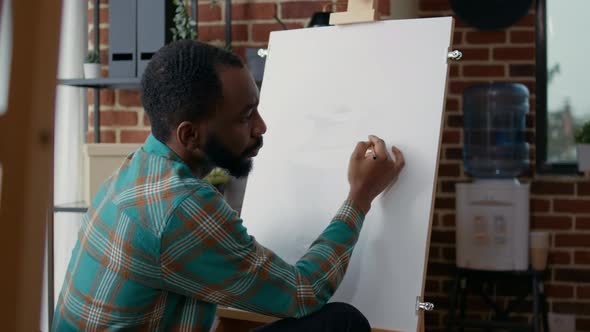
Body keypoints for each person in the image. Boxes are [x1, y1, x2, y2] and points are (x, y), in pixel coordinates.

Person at [52, 40, 405, 331]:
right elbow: (303, 293)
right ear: (189, 134)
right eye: (244, 116)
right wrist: (360, 196)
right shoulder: (180, 205)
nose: (261, 127)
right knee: (341, 323)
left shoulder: (133, 171)